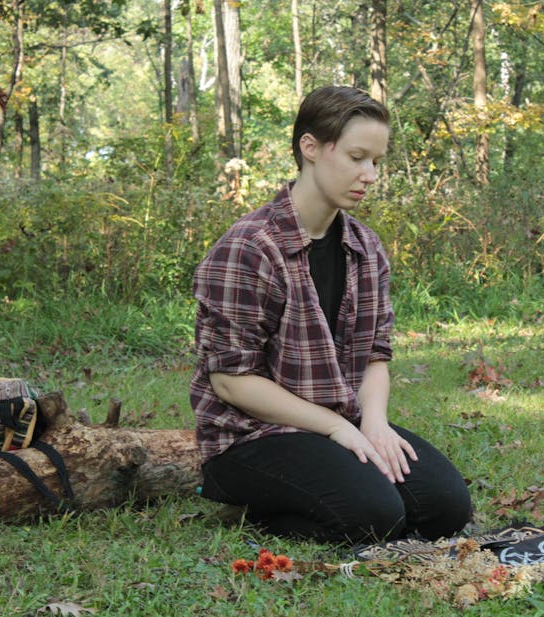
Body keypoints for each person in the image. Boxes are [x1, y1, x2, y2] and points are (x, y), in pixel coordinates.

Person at [190, 86, 472, 545]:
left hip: (337, 421)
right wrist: (339, 427)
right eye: (358, 157)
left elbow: (376, 355)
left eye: (376, 162)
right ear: (311, 148)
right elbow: (231, 382)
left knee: (446, 507)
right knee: (374, 516)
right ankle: (257, 509)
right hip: (251, 436)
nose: (370, 175)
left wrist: (374, 424)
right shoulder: (249, 247)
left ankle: (338, 482)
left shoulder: (365, 246)